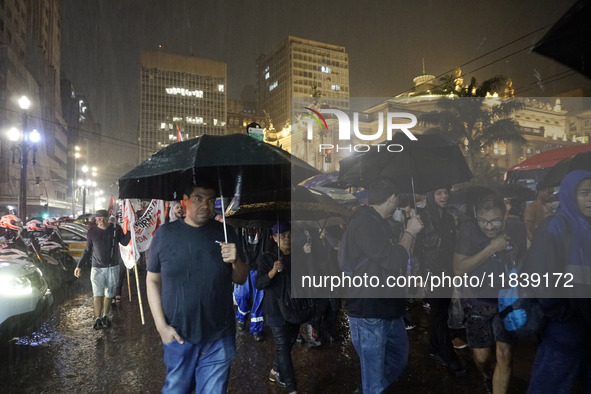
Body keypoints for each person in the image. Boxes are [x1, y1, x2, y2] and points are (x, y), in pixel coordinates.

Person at [146, 180, 248, 394]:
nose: (206, 205)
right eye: (198, 199)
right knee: (176, 390)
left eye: (211, 200)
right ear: (185, 202)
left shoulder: (226, 233)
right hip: (179, 334)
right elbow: (153, 280)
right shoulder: (165, 235)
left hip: (219, 335)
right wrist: (160, 326)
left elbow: (240, 278)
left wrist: (235, 260)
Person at [341, 178, 423, 394]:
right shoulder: (364, 222)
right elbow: (391, 259)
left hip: (388, 308)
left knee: (397, 358)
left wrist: (408, 231)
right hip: (370, 312)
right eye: (398, 199)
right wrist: (410, 232)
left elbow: (397, 259)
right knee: (375, 380)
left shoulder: (378, 222)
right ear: (392, 198)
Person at [524, 170, 591, 393]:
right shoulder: (555, 226)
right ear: (569, 195)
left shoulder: (587, 228)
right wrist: (562, 317)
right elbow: (542, 279)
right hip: (564, 331)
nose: (590, 198)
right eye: (584, 193)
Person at [453, 195, 527, 394]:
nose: (489, 226)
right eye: (483, 221)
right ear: (477, 217)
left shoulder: (517, 228)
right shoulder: (469, 230)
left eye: (495, 221)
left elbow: (524, 260)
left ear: (505, 216)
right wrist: (492, 247)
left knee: (505, 354)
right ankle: (486, 375)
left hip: (507, 300)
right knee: (481, 357)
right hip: (478, 301)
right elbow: (459, 267)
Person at [415, 187, 466, 377]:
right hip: (432, 274)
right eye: (438, 193)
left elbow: (451, 246)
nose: (444, 196)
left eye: (446, 192)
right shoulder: (422, 218)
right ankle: (448, 355)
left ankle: (435, 347)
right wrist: (420, 276)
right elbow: (416, 250)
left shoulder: (448, 217)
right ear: (430, 195)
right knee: (439, 315)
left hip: (448, 272)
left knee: (441, 312)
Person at [255, 221, 300, 393]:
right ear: (274, 238)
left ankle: (275, 370)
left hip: (296, 307)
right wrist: (272, 272)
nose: (287, 239)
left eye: (289, 235)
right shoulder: (267, 258)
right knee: (283, 346)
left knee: (289, 343)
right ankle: (292, 388)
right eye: (282, 236)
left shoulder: (300, 254)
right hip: (275, 310)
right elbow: (259, 283)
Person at [74, 209, 131, 330]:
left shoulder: (116, 229)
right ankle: (97, 318)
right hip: (97, 268)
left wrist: (131, 230)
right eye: (99, 219)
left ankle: (105, 316)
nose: (102, 222)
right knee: (97, 293)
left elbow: (125, 242)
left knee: (109, 293)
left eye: (104, 219)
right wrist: (79, 265)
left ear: (109, 218)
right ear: (96, 220)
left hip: (112, 266)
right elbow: (88, 250)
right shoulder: (92, 231)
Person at [234, 226, 268, 342]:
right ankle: (241, 316)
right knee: (241, 295)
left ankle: (257, 329)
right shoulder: (237, 229)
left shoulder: (265, 229)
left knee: (259, 298)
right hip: (242, 266)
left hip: (259, 268)